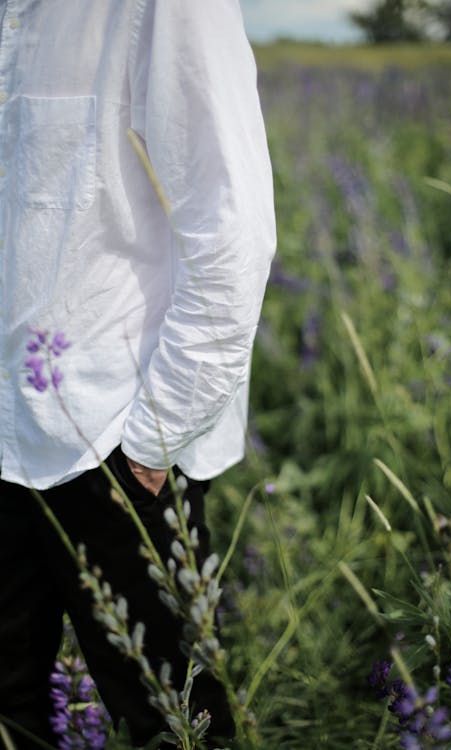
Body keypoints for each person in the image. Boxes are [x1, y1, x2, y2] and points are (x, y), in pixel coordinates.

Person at [0, 1, 276, 748]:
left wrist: (153, 443)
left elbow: (235, 231)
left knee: (170, 725)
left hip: (111, 437)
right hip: (6, 424)